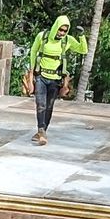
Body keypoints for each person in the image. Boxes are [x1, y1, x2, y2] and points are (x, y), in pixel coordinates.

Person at [24, 14, 87, 145]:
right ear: (56, 27)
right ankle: (41, 131)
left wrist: (81, 36)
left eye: (65, 31)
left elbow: (83, 50)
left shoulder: (67, 40)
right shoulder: (43, 36)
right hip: (41, 76)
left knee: (49, 106)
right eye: (60, 29)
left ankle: (42, 131)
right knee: (40, 104)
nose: (62, 33)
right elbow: (33, 51)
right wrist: (31, 74)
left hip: (55, 79)